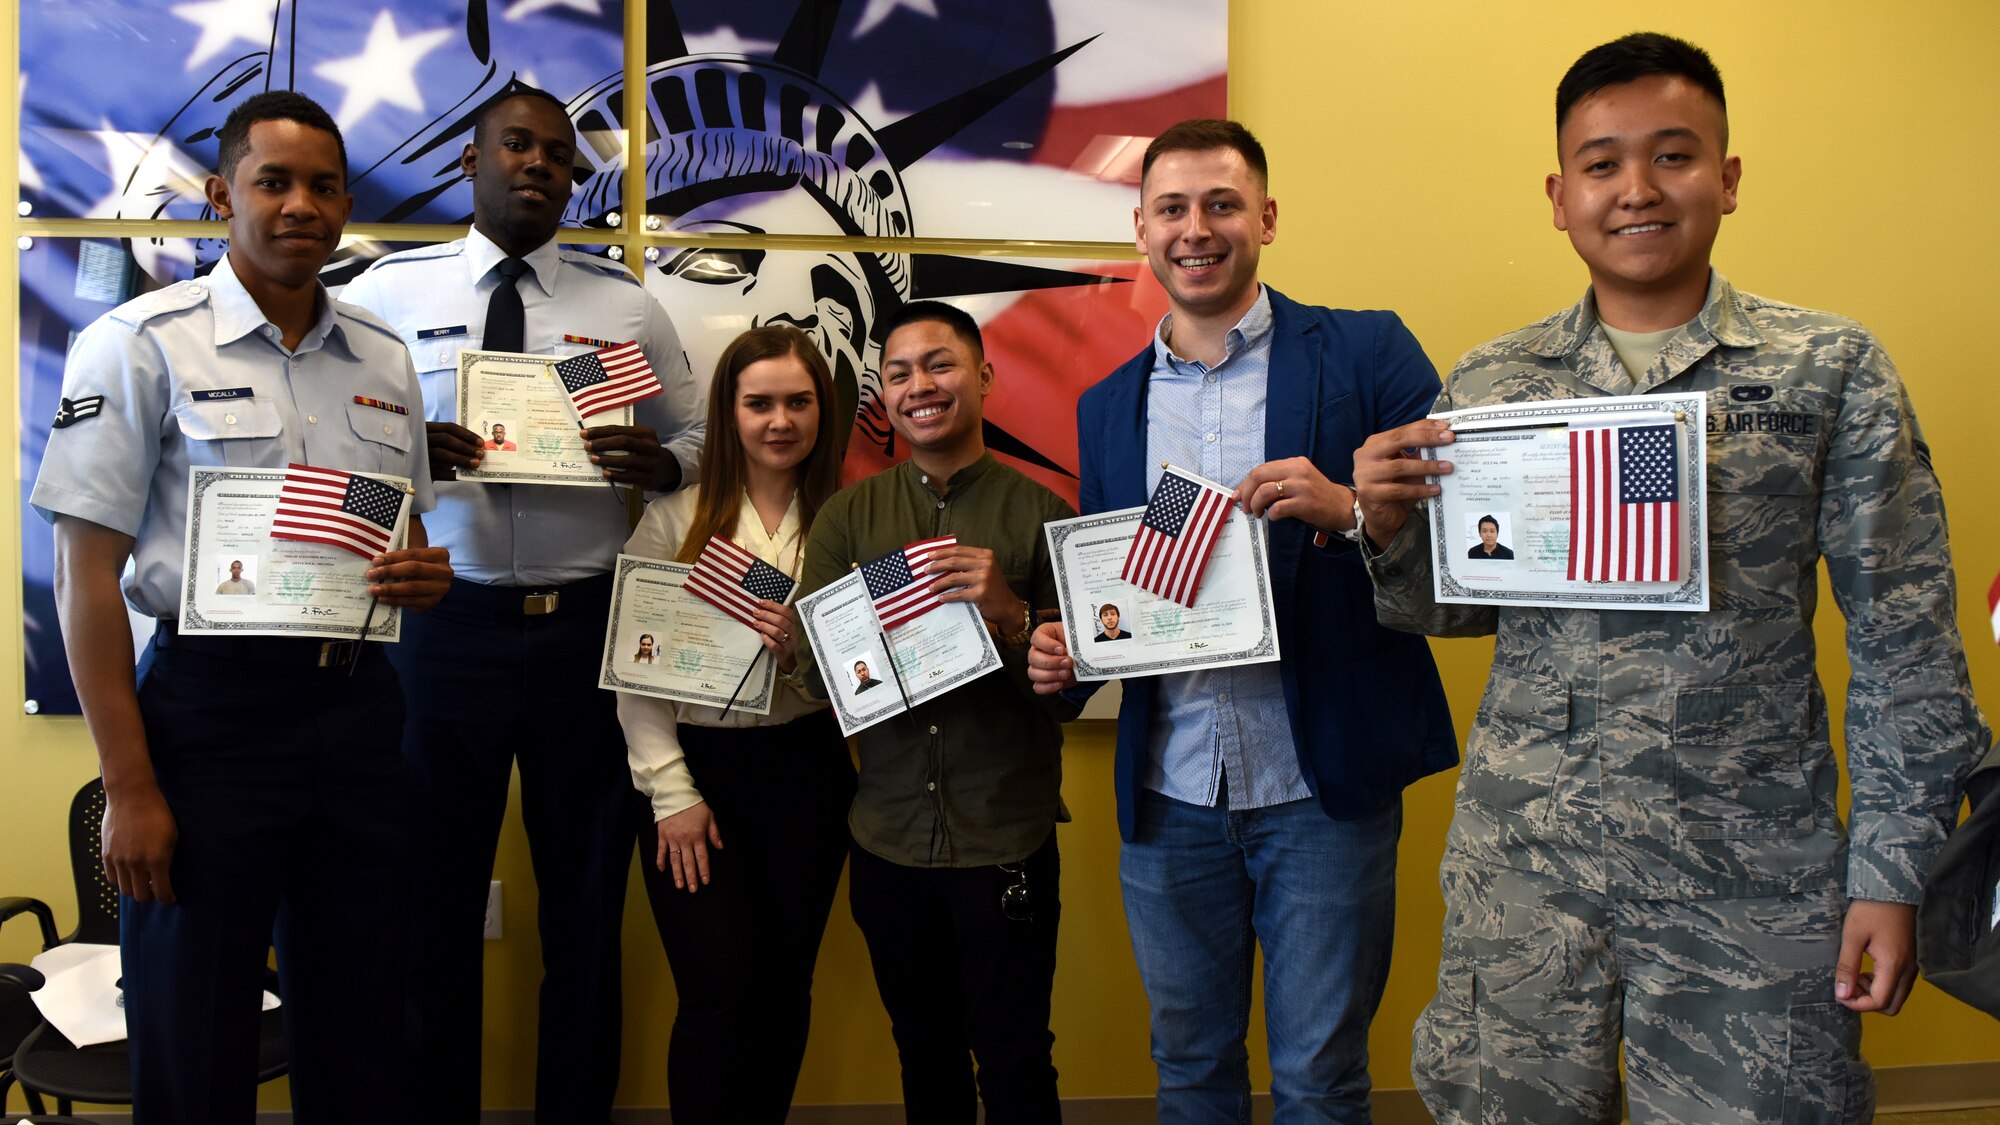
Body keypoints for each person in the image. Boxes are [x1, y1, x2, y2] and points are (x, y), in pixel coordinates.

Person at [1352, 34, 1989, 1124]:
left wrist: (1891, 873)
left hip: (1748, 871)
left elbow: (1906, 644)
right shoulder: (1493, 382)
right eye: (1599, 164)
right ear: (1558, 196)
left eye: (1672, 156)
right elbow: (1448, 609)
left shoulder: (1825, 369)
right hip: (1526, 871)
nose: (1635, 190)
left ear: (1726, 179)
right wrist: (1383, 521)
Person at [29, 91, 453, 1124]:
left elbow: (398, 543)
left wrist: (423, 577)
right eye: (274, 181)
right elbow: (84, 578)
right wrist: (127, 785)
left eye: (321, 185)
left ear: (347, 202)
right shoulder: (141, 345)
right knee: (195, 1029)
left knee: (361, 1027)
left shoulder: (384, 359)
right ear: (223, 195)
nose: (299, 204)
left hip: (356, 715)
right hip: (206, 723)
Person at [1026, 118, 1457, 1123]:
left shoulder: (1366, 350)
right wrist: (1063, 653)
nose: (1196, 228)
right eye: (1171, 208)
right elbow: (1118, 600)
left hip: (1320, 787)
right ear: (1139, 230)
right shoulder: (1104, 408)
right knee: (1188, 1073)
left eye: (1220, 204)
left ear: (1264, 217)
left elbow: (1472, 552)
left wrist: (1352, 513)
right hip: (1170, 791)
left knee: (1318, 1080)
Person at [340, 84, 705, 1125]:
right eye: (516, 145)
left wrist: (661, 463)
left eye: (558, 153)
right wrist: (409, 457)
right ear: (470, 158)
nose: (538, 164)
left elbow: (695, 441)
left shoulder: (622, 305)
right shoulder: (386, 295)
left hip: (580, 633)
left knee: (586, 908)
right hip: (438, 633)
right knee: (428, 907)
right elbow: (344, 452)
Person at [797, 300, 1079, 1123]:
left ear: (984, 377)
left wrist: (1009, 614)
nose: (920, 385)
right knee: (924, 1057)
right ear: (882, 395)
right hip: (886, 843)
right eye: (898, 372)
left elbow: (1072, 692)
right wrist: (814, 648)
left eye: (941, 364)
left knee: (1020, 1059)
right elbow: (821, 683)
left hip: (1004, 840)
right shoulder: (849, 517)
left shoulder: (1045, 516)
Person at [618, 324, 856, 1125]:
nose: (780, 420)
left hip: (808, 769)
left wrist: (803, 652)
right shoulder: (673, 518)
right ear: (730, 412)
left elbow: (870, 671)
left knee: (786, 988)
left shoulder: (846, 521)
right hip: (697, 777)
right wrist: (670, 792)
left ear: (824, 409)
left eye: (798, 401)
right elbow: (635, 676)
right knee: (717, 997)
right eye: (759, 403)